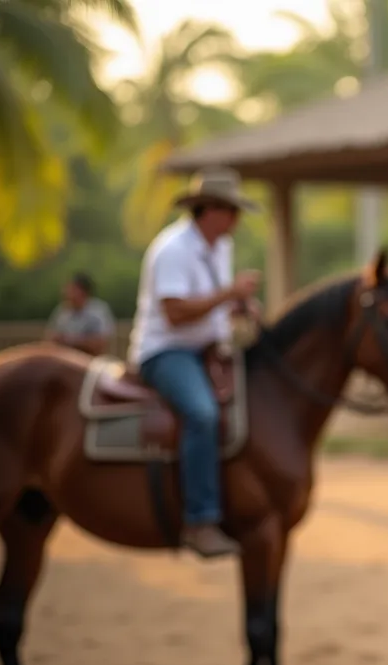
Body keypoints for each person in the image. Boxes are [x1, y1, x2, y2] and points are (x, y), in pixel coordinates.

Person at [128, 167, 262, 559]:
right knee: (202, 414)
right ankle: (199, 520)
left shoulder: (219, 246)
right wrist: (228, 293)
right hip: (166, 351)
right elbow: (174, 314)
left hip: (206, 348)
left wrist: (237, 303)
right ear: (210, 210)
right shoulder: (172, 249)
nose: (236, 220)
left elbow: (208, 302)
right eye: (231, 211)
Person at [45, 272, 116, 356]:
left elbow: (101, 342)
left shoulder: (98, 311)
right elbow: (51, 338)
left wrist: (70, 340)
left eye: (72, 288)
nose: (66, 291)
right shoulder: (62, 311)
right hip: (65, 361)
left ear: (83, 291)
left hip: (90, 361)